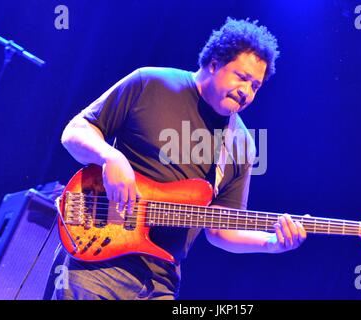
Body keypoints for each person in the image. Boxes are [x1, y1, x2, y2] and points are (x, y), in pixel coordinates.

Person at [50, 17, 307, 300]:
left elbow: (221, 231)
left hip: (160, 280)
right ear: (214, 64)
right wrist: (111, 157)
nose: (246, 92)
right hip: (99, 260)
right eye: (241, 77)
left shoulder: (241, 144)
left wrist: (272, 243)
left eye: (255, 86)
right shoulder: (151, 82)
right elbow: (74, 132)